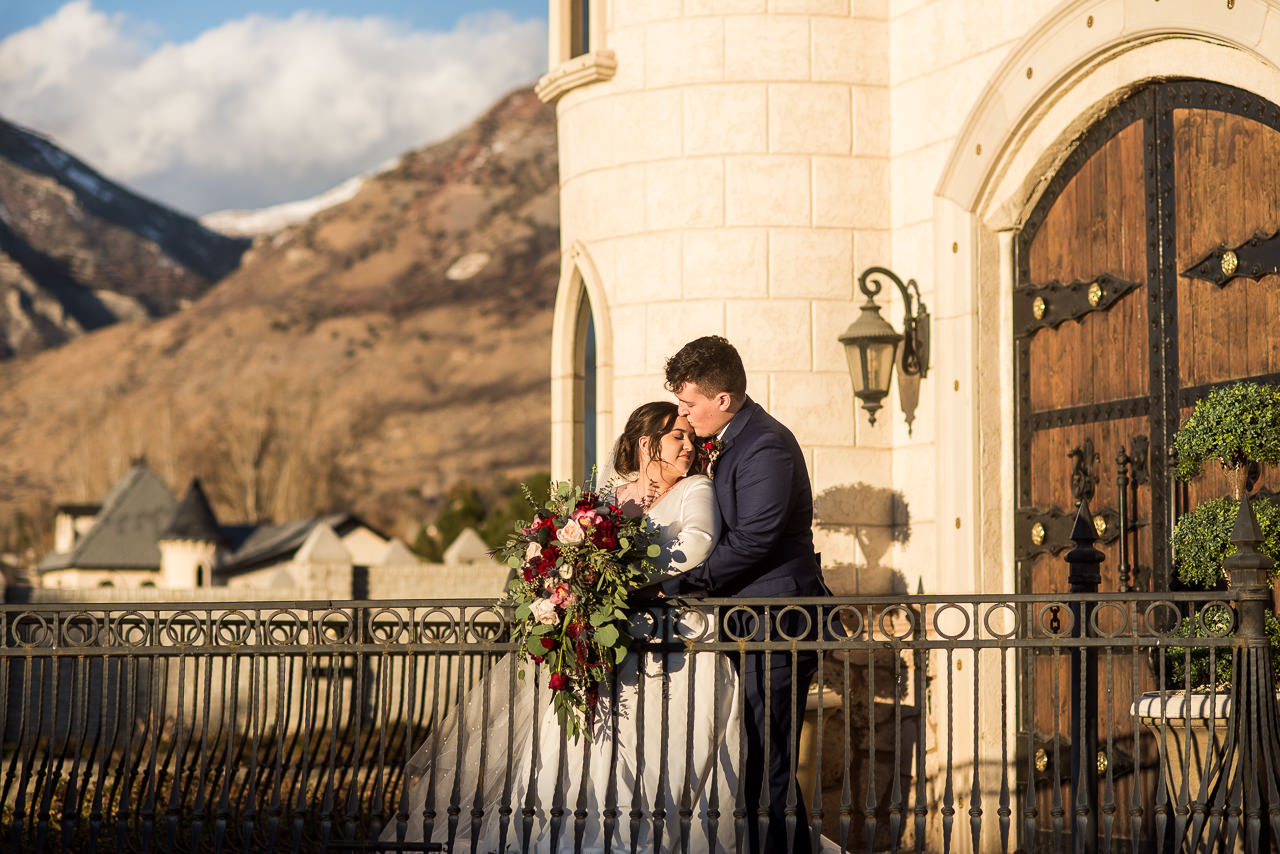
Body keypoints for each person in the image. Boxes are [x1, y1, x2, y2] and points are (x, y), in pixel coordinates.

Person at [383, 401, 741, 853]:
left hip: (666, 644)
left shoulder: (696, 489)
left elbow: (697, 543)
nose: (690, 445)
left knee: (651, 759)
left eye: (692, 437)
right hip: (600, 646)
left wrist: (614, 577)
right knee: (582, 752)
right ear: (647, 442)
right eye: (678, 436)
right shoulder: (612, 493)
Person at [653, 335, 833, 854]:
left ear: (722, 401)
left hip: (777, 622)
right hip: (746, 623)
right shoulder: (732, 439)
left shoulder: (766, 445)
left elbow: (754, 539)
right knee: (751, 755)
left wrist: (677, 584)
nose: (683, 415)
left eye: (689, 404)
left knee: (768, 759)